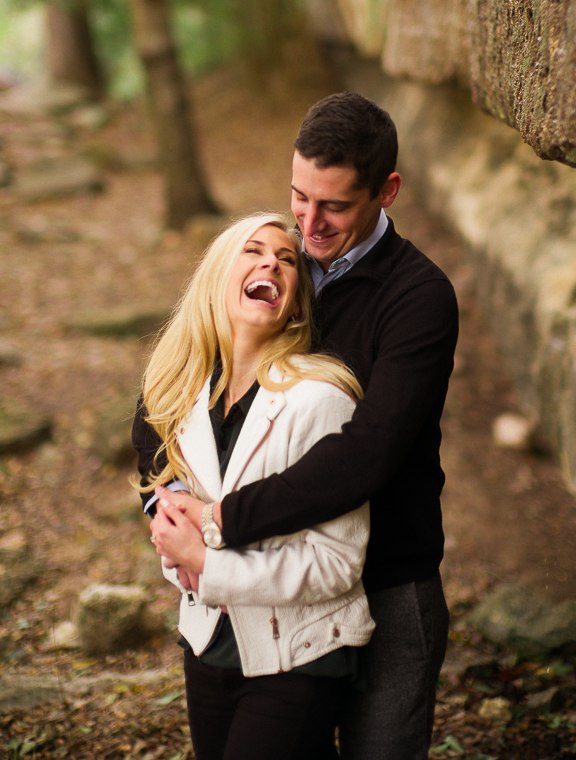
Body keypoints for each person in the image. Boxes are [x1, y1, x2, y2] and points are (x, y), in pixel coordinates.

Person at [135, 92, 459, 760]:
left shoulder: (417, 297)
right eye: (298, 197)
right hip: (269, 583)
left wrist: (220, 519)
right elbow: (169, 393)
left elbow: (366, 453)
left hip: (386, 578)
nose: (308, 223)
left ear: (386, 191)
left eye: (334, 205)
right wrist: (165, 505)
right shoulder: (276, 266)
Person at [136, 212, 375, 760]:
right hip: (206, 644)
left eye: (288, 259)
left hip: (298, 653)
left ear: (294, 301)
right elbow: (164, 503)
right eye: (253, 250)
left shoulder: (322, 399)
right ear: (218, 278)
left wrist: (207, 559)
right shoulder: (183, 395)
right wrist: (174, 543)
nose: (271, 261)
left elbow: (337, 564)